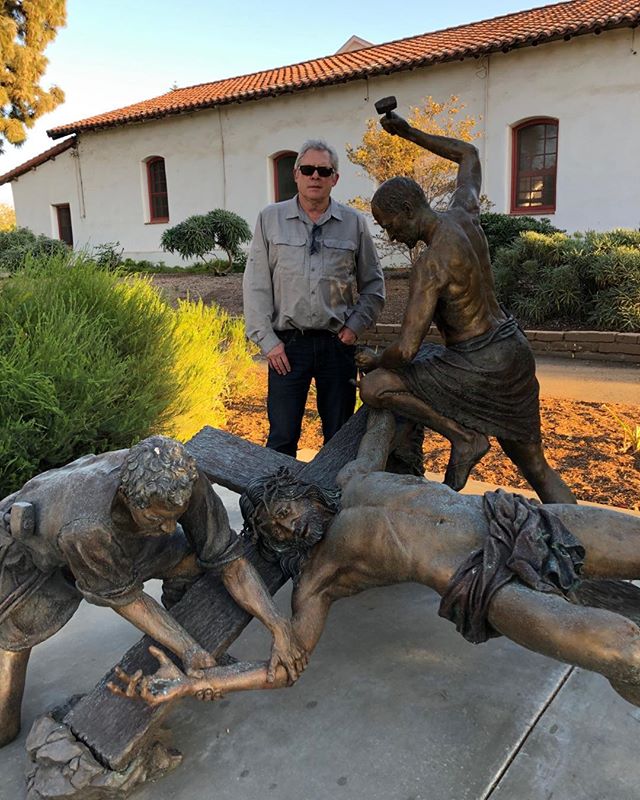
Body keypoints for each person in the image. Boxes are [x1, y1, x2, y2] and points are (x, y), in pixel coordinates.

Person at [110, 411, 640, 712]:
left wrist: (389, 379)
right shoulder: (317, 581)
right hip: (482, 583)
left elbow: (380, 419)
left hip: (511, 517)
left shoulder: (355, 478)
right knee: (623, 649)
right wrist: (190, 683)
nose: (285, 524)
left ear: (303, 494)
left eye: (282, 509)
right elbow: (282, 671)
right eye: (274, 528)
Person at [0, 435, 305, 746]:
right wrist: (189, 649)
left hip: (119, 535)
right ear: (127, 497)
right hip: (29, 559)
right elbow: (127, 598)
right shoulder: (86, 527)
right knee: (3, 726)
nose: (169, 529)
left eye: (175, 516)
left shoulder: (184, 478)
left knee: (191, 561)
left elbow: (230, 562)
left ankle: (194, 643)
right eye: (157, 518)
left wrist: (279, 626)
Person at [356, 109, 574, 504]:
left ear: (409, 211)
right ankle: (581, 546)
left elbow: (405, 351)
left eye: (388, 224)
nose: (388, 233)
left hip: (478, 364)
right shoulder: (465, 214)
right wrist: (407, 132)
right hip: (513, 352)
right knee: (537, 468)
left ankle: (463, 437)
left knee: (376, 386)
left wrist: (375, 360)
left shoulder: (430, 265)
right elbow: (468, 155)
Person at [243, 139, 385, 456]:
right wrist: (267, 341)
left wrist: (353, 329)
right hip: (286, 348)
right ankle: (277, 503)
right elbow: (255, 286)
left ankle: (333, 502)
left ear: (335, 178)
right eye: (308, 170)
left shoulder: (354, 224)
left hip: (338, 345)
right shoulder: (270, 219)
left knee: (339, 439)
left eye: (324, 171)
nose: (315, 176)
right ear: (296, 175)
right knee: (281, 437)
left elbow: (374, 285)